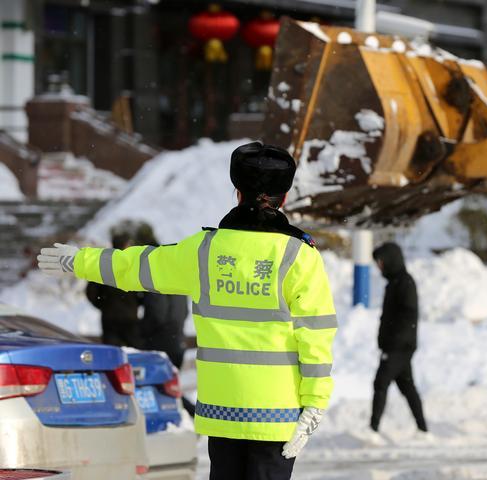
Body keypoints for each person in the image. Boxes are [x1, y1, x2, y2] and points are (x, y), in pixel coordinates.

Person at [38, 142, 337, 480]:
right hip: (277, 416)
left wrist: (78, 260)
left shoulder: (204, 251)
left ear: (237, 193)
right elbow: (316, 334)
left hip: (223, 413)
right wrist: (314, 402)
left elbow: (135, 266)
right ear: (283, 198)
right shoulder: (300, 256)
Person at [134, 222, 195, 417]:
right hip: (177, 339)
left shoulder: (156, 279)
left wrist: (142, 333)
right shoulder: (179, 279)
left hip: (160, 341)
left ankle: (188, 415)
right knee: (168, 385)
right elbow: (184, 311)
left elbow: (156, 312)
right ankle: (182, 417)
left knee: (159, 386)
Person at [370, 242, 427, 435]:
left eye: (380, 262)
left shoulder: (405, 283)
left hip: (399, 347)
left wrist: (393, 342)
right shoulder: (394, 283)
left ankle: (373, 429)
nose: (379, 266)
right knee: (407, 386)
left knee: (380, 382)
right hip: (397, 345)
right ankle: (423, 429)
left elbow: (407, 317)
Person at [85, 225, 142, 347]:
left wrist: (103, 304)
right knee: (135, 354)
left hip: (109, 318)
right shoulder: (133, 265)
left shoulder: (103, 265)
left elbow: (91, 292)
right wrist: (138, 303)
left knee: (111, 354)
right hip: (130, 319)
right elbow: (144, 288)